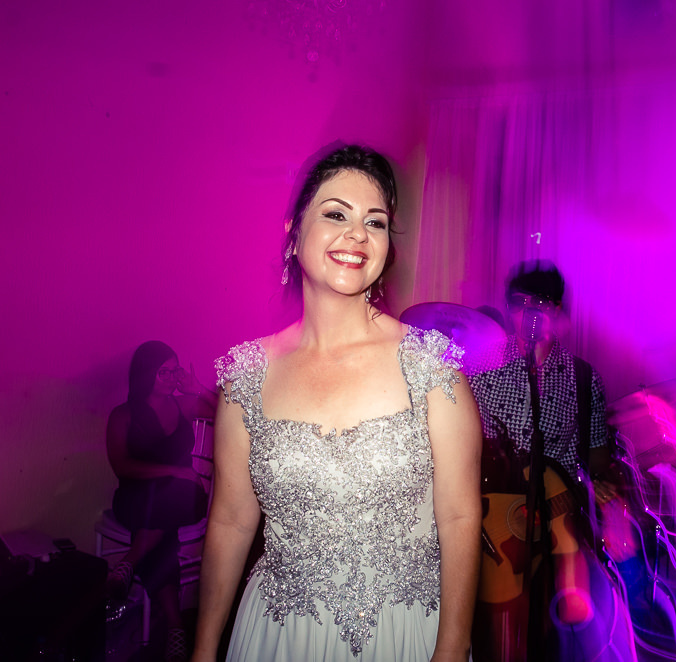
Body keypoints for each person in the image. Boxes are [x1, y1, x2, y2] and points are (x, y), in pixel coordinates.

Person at [191, 144, 482, 662]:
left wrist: (453, 646)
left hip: (403, 634)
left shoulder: (432, 370)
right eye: (335, 214)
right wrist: (204, 648)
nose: (357, 235)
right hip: (278, 636)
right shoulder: (246, 376)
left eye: (375, 222)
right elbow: (232, 521)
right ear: (292, 233)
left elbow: (460, 516)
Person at [469, 260, 630, 661]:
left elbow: (595, 455)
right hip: (493, 522)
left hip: (556, 523)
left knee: (554, 632)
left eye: (540, 303)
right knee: (497, 636)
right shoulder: (479, 364)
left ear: (558, 311)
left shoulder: (584, 378)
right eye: (520, 303)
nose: (530, 313)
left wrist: (606, 488)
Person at [105, 340, 217, 662]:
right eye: (163, 372)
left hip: (182, 498)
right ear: (145, 374)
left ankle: (128, 563)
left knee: (168, 507)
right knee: (162, 535)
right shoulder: (123, 415)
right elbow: (122, 466)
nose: (171, 378)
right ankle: (176, 627)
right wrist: (174, 470)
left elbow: (227, 415)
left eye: (174, 370)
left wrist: (198, 388)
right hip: (137, 498)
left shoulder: (183, 405)